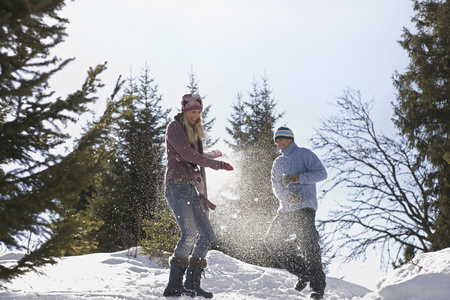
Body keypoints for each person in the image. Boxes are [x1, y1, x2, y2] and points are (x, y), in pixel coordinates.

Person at [163, 94, 234, 298]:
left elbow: (195, 160)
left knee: (207, 235)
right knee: (189, 233)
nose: (196, 116)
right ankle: (173, 285)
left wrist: (210, 157)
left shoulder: (194, 133)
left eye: (198, 112)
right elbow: (186, 155)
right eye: (193, 112)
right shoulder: (174, 127)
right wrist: (216, 164)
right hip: (176, 186)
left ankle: (192, 284)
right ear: (185, 111)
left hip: (192, 189)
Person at [264, 126, 327, 300]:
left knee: (309, 245)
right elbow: (276, 186)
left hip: (305, 207)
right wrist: (286, 197)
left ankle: (317, 288)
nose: (278, 143)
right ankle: (303, 272)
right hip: (286, 210)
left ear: (289, 138)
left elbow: (322, 173)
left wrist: (298, 178)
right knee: (272, 241)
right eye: (276, 140)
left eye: (281, 139)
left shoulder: (304, 154)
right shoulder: (278, 163)